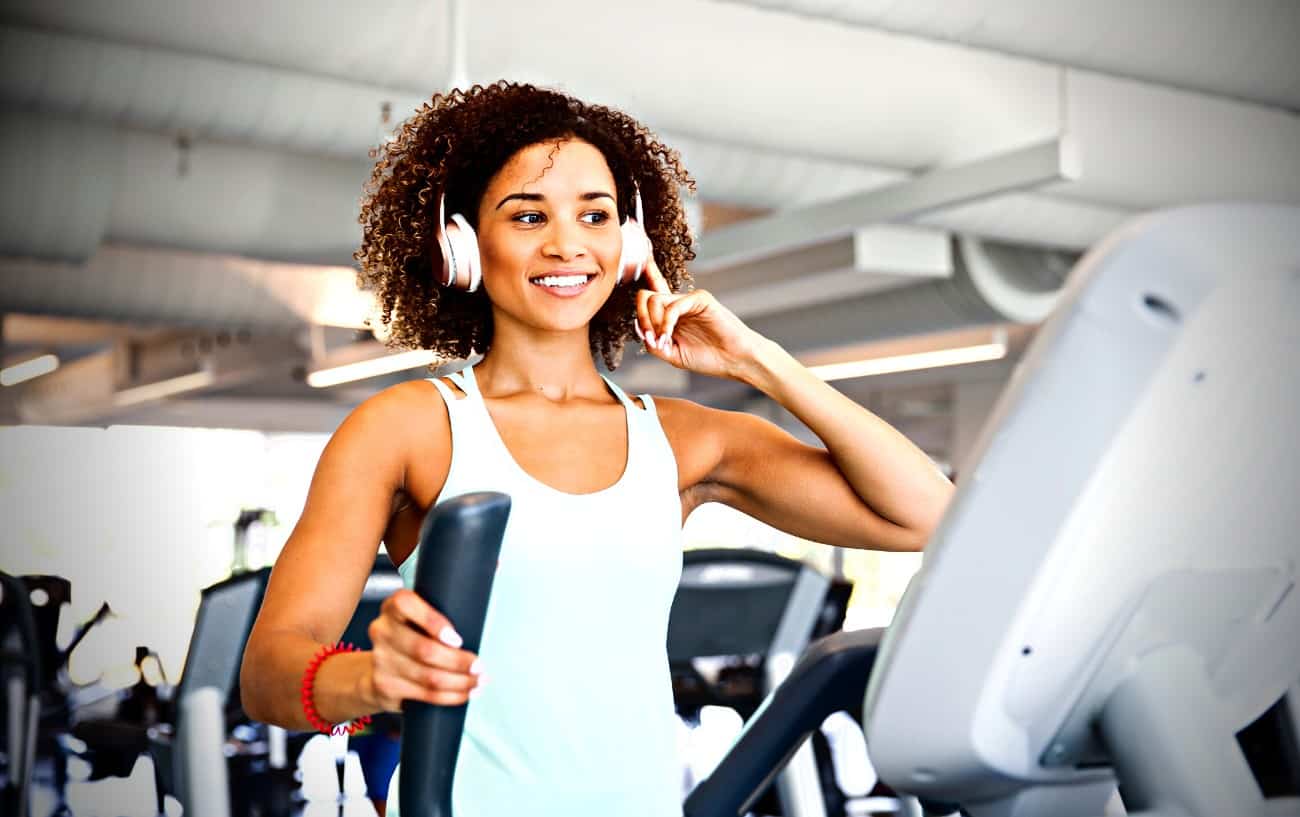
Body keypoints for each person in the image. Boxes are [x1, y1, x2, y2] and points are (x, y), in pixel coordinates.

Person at [239, 81, 953, 816]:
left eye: (596, 215)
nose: (567, 243)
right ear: (461, 243)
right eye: (527, 216)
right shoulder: (408, 428)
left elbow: (929, 516)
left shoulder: (681, 439)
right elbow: (266, 674)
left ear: (630, 242)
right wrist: (372, 678)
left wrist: (756, 360)